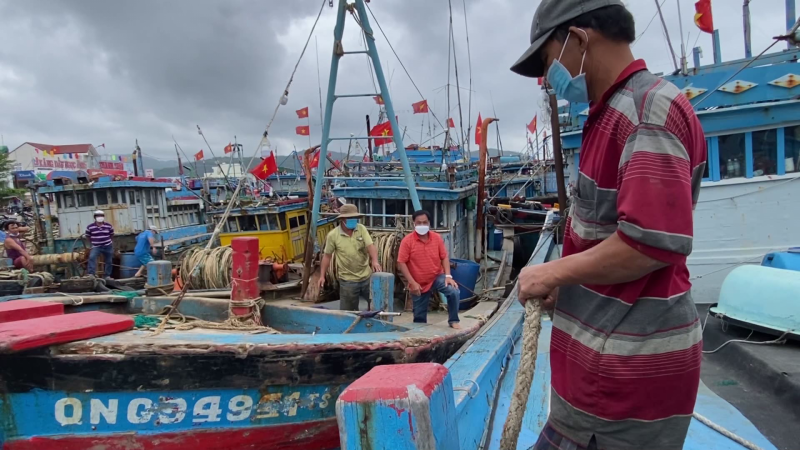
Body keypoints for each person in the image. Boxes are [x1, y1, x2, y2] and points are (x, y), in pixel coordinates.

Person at [510, 2, 707, 450]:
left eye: (547, 63)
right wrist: (572, 285)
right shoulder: (611, 113)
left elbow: (648, 243)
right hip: (598, 373)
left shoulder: (646, 112)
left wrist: (551, 272)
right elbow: (609, 235)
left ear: (579, 39)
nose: (548, 80)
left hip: (620, 385)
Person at [397, 210, 461, 329]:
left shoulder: (437, 238)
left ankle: (453, 320)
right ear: (414, 224)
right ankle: (420, 331)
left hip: (437, 276)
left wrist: (448, 276)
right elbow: (401, 262)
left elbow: (444, 257)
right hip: (418, 281)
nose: (422, 225)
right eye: (419, 223)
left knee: (453, 291)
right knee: (419, 317)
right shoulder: (407, 241)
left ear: (429, 223)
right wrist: (412, 282)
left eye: (425, 222)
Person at [319, 204, 382, 311]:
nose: (353, 220)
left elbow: (370, 246)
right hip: (347, 280)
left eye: (355, 218)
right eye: (350, 218)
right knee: (348, 312)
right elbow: (327, 256)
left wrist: (375, 261)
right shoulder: (333, 235)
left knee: (376, 306)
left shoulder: (361, 229)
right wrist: (322, 276)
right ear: (343, 219)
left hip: (366, 277)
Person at [85, 210, 115, 278]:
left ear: (103, 217)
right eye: (98, 216)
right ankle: (91, 274)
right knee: (92, 257)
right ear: (95, 217)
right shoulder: (90, 227)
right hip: (96, 246)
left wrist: (110, 241)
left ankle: (107, 275)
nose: (100, 217)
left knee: (109, 261)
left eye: (101, 216)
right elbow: (87, 236)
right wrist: (93, 242)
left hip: (107, 246)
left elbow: (112, 234)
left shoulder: (109, 226)